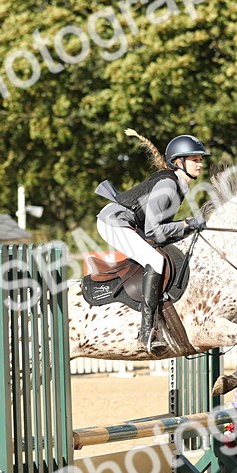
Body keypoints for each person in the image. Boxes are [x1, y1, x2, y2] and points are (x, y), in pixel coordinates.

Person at [95, 132, 209, 353]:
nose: (200, 164)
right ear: (179, 162)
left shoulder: (178, 184)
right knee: (155, 260)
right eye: (195, 159)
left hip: (127, 222)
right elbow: (154, 231)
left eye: (200, 159)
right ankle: (146, 331)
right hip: (113, 222)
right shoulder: (168, 185)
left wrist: (186, 228)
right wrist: (185, 224)